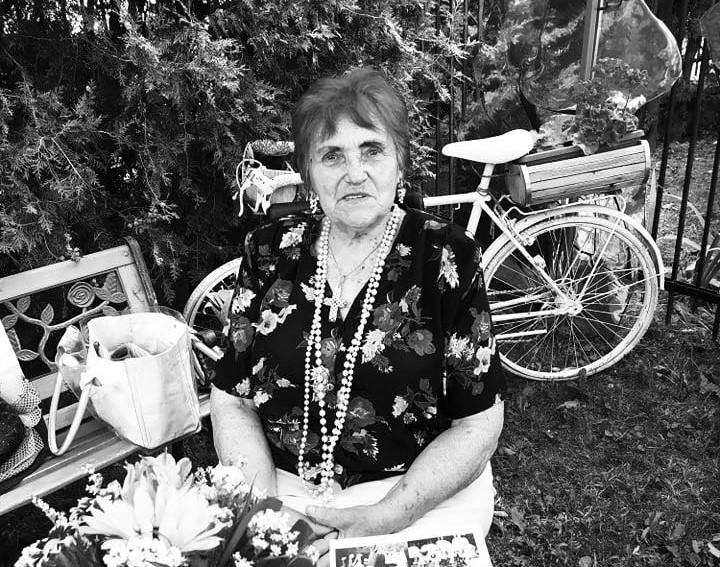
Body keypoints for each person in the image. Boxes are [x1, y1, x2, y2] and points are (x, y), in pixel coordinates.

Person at [210, 67, 505, 563]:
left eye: (372, 150)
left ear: (400, 162)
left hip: (415, 493)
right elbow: (232, 400)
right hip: (279, 487)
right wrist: (265, 510)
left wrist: (386, 516)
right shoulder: (268, 250)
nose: (354, 173)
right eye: (332, 156)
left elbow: (477, 425)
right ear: (308, 173)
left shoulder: (447, 256)